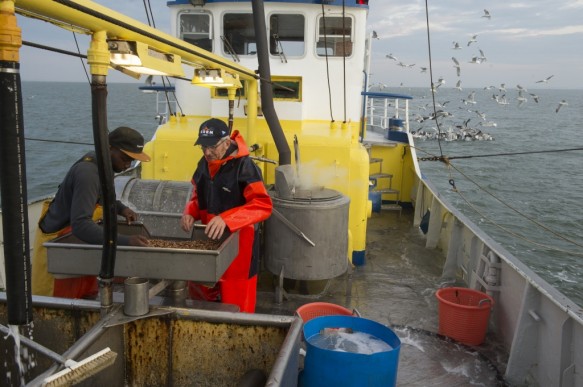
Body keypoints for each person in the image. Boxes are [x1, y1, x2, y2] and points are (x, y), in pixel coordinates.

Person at [32, 126, 151, 299]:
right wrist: (126, 241)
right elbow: (80, 225)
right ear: (109, 148)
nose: (128, 165)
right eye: (125, 158)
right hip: (57, 247)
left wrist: (120, 208)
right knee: (58, 306)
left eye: (132, 161)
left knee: (81, 299)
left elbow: (101, 195)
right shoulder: (88, 173)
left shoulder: (104, 165)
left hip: (74, 242)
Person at [181, 118, 272, 313]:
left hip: (240, 247)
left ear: (226, 142)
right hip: (209, 240)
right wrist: (190, 211)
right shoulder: (204, 163)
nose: (207, 152)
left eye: (212, 147)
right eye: (203, 147)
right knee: (201, 293)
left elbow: (262, 205)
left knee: (237, 302)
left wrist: (226, 219)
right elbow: (198, 195)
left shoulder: (245, 167)